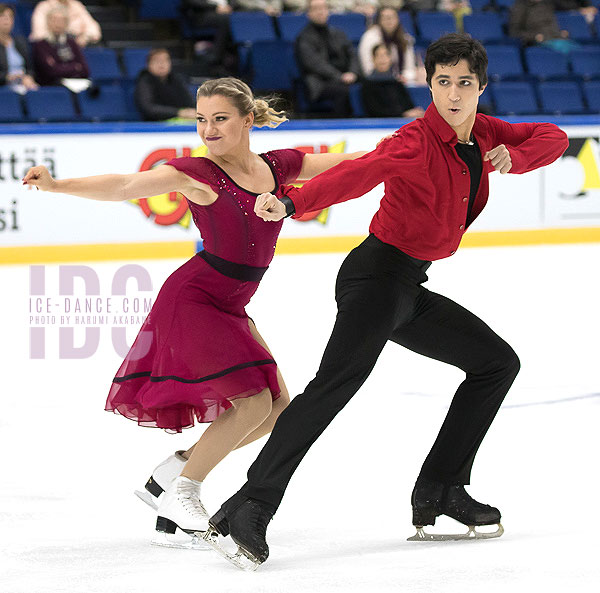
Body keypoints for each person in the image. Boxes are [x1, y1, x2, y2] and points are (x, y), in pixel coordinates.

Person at [204, 33, 569, 568]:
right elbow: (359, 174)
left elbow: (554, 136)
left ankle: (441, 489)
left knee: (495, 363)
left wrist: (516, 155)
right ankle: (252, 504)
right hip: (375, 279)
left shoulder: (487, 134)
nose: (452, 94)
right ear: (429, 84)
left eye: (464, 83)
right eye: (442, 81)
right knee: (334, 387)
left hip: (407, 285)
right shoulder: (415, 140)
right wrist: (292, 201)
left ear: (481, 87)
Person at [22, 76, 367, 548]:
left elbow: (348, 163)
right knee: (250, 403)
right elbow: (126, 184)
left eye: (220, 118)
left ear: (248, 120)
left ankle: (168, 477)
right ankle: (185, 490)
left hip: (232, 304)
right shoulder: (200, 174)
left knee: (277, 409)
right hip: (195, 299)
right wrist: (59, 185)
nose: (208, 129)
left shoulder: (278, 167)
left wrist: (405, 150)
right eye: (202, 119)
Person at [295, 0, 361, 117]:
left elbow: (352, 54)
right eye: (316, 9)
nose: (321, 12)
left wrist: (353, 73)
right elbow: (314, 64)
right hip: (320, 83)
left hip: (344, 78)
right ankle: (343, 127)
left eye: (323, 8)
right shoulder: (304, 38)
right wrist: (340, 77)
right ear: (308, 13)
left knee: (369, 85)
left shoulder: (338, 33)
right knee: (343, 92)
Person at [358, 5, 425, 86]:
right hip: (377, 82)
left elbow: (409, 67)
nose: (389, 20)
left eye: (392, 17)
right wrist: (391, 78)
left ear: (398, 19)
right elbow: (367, 69)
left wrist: (405, 77)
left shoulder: (405, 37)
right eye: (385, 17)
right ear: (379, 20)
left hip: (402, 82)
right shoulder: (370, 38)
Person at [361, 44, 424, 117]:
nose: (383, 59)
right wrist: (402, 115)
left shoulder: (396, 83)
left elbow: (409, 106)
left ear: (390, 58)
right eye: (378, 55)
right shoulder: (368, 83)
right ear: (373, 59)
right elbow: (374, 111)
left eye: (386, 55)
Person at [32, 7, 89, 86]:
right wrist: (75, 67)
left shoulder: (72, 43)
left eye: (62, 21)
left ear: (66, 24)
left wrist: (60, 67)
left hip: (76, 83)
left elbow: (85, 70)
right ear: (48, 22)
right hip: (52, 86)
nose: (58, 24)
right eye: (54, 20)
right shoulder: (41, 45)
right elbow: (50, 71)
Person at [134, 48, 197, 121]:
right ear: (148, 65)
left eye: (165, 60)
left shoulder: (176, 79)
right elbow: (149, 108)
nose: (161, 64)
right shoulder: (144, 82)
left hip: (178, 122)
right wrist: (178, 112)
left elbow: (190, 101)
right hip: (154, 126)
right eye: (157, 61)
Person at [0, 3, 38, 92]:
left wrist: (28, 76)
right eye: (2, 16)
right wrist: (8, 77)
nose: (7, 20)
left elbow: (30, 68)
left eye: (10, 17)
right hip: (4, 87)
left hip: (24, 85)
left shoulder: (21, 42)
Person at [30, 0, 101, 47]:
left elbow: (95, 31)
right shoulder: (44, 6)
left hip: (77, 47)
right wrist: (64, 38)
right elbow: (39, 35)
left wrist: (84, 37)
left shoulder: (76, 5)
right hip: (50, 48)